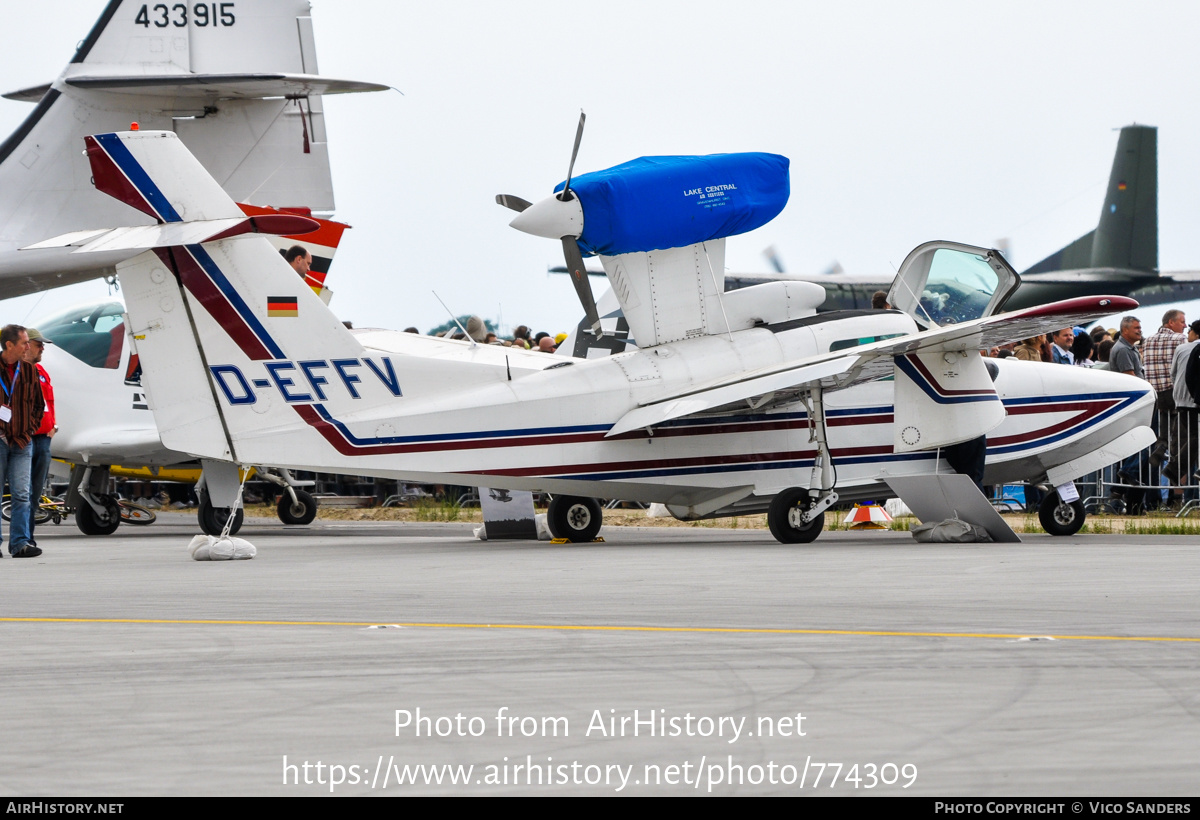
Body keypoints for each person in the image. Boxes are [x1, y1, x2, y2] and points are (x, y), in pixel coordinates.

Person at [0, 324, 44, 557]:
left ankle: (20, 544)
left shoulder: (28, 371)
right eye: (24, 343)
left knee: (21, 494)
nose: (28, 347)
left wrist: (29, 430)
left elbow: (38, 405)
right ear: (9, 345)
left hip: (22, 441)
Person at [23, 328, 56, 546]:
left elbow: (48, 403)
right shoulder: (13, 371)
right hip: (23, 439)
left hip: (43, 438)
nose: (42, 348)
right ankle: (21, 537)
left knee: (34, 493)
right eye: (38, 344)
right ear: (25, 346)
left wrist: (53, 426)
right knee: (21, 492)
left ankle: (28, 538)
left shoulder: (42, 371)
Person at [1143, 309, 1186, 470]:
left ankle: (1161, 446)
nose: (1185, 326)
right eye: (1182, 322)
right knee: (1180, 435)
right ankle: (1174, 468)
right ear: (1171, 322)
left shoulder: (1147, 340)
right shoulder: (1180, 339)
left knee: (1164, 423)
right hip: (1174, 391)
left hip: (1156, 393)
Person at [1166, 320, 1200, 493]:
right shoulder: (1192, 349)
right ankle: (1175, 469)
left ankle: (1176, 469)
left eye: (1190, 331)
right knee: (1196, 437)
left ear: (1195, 332)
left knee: (1193, 436)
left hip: (1181, 399)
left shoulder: (1182, 349)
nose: (1188, 335)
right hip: (1194, 400)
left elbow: (1173, 374)